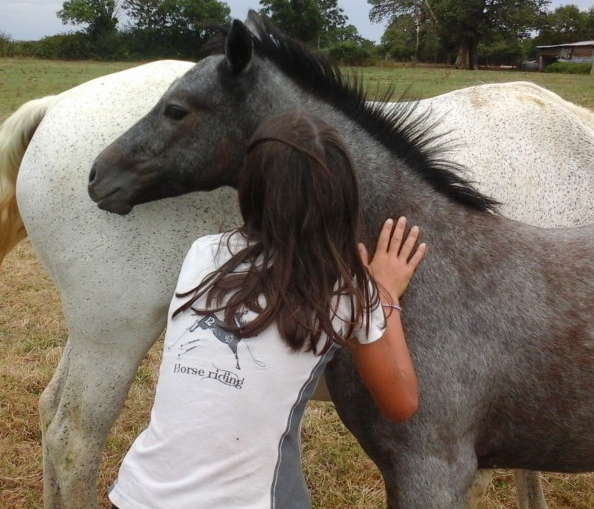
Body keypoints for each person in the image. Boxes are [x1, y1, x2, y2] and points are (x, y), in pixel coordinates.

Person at [109, 110, 426, 509]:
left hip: (138, 493)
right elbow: (402, 403)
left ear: (249, 188)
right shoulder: (347, 292)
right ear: (345, 199)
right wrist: (383, 295)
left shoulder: (203, 253)